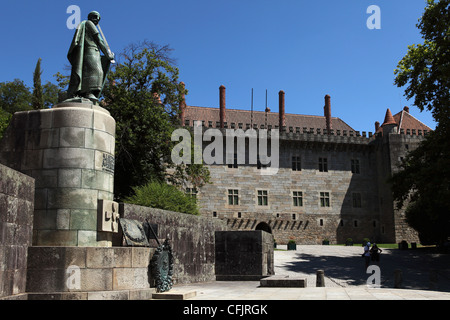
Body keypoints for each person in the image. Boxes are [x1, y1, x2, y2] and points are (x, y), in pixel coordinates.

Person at [67, 11, 115, 102]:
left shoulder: (87, 24)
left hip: (94, 52)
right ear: (90, 17)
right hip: (90, 51)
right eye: (95, 16)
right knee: (96, 71)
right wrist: (108, 55)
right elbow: (99, 40)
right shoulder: (89, 23)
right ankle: (88, 92)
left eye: (98, 18)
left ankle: (86, 93)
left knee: (94, 71)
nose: (97, 19)